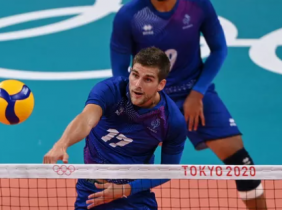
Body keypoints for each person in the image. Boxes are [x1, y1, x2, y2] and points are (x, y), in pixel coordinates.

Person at [109, 0, 267, 209]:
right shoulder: (130, 14)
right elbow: (120, 74)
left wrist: (198, 92)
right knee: (121, 173)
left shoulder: (198, 5)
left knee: (242, 164)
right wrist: (140, 112)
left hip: (194, 90)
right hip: (150, 98)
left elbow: (219, 49)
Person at [43, 47, 187, 209]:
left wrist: (125, 190)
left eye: (147, 79)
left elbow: (168, 170)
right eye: (135, 75)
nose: (137, 85)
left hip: (134, 196)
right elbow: (86, 119)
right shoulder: (110, 90)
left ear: (161, 84)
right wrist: (62, 144)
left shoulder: (171, 119)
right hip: (92, 191)